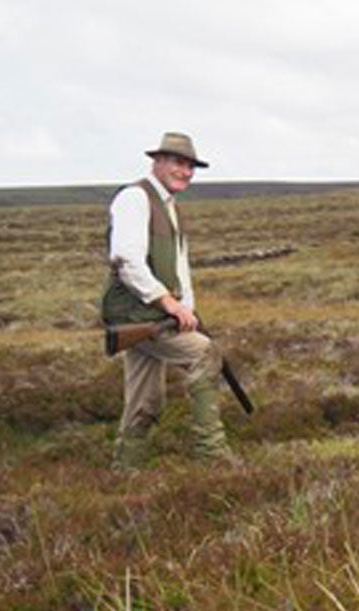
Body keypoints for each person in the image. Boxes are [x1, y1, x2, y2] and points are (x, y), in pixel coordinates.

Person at [101, 132, 236, 469]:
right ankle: (213, 456)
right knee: (205, 353)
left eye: (190, 166)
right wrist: (170, 305)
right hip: (139, 315)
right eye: (178, 162)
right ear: (158, 161)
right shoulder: (135, 198)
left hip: (154, 316)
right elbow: (126, 261)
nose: (185, 172)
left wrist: (186, 306)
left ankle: (124, 470)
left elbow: (177, 266)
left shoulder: (169, 206)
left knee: (145, 399)